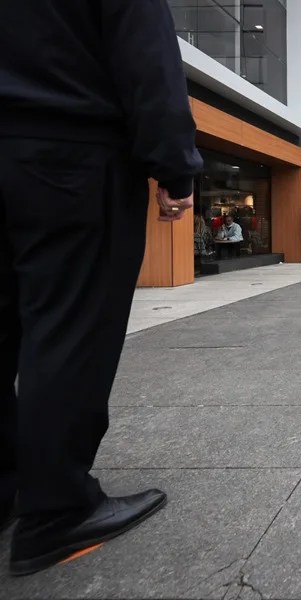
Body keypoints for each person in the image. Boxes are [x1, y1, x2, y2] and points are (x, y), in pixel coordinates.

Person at [0, 0, 202, 576]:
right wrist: (174, 163)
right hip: (68, 149)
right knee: (70, 325)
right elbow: (145, 48)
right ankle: (56, 508)